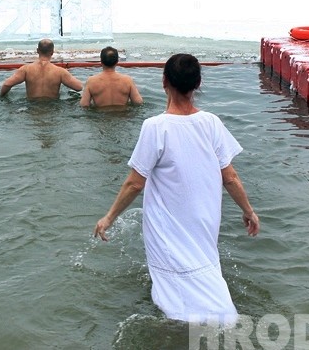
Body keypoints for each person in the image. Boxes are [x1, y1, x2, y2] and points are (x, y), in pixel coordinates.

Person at [93, 53, 259, 325]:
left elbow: (136, 182)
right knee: (204, 265)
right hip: (203, 217)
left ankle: (182, 326)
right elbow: (230, 177)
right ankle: (218, 319)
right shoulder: (211, 122)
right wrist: (249, 211)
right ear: (198, 83)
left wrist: (109, 217)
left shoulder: (156, 127)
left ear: (164, 82)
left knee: (173, 282)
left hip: (167, 222)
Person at [0, 38, 83, 99]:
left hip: (32, 107)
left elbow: (7, 84)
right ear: (52, 52)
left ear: (37, 50)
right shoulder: (60, 72)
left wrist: (2, 97)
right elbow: (79, 87)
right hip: (53, 108)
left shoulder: (26, 69)